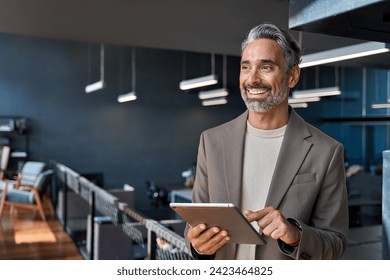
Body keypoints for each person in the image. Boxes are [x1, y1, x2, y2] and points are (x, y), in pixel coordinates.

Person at [185, 22, 349, 260]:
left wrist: (294, 234)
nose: (252, 79)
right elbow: (195, 227)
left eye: (266, 67)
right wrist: (199, 246)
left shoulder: (326, 151)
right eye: (245, 67)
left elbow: (335, 243)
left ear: (292, 75)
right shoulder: (212, 142)